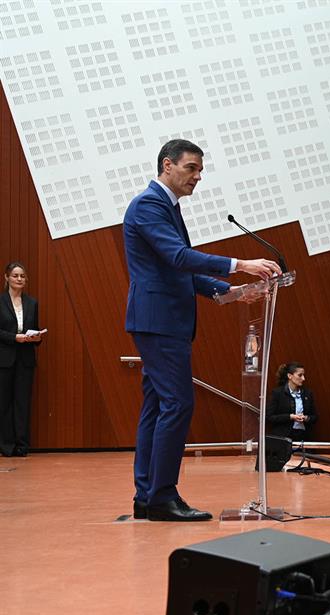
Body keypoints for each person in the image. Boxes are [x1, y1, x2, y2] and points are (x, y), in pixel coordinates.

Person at [124, 139, 280, 521]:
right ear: (167, 166)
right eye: (191, 168)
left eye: (200, 170)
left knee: (158, 406)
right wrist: (240, 264)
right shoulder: (150, 204)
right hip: (160, 321)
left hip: (160, 320)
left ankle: (147, 495)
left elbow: (176, 269)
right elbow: (178, 258)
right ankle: (161, 496)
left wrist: (228, 292)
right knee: (179, 403)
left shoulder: (165, 207)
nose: (198, 176)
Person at [0, 262, 41, 457]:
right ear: (6, 278)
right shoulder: (0, 302)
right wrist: (13, 337)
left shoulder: (32, 303)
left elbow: (35, 328)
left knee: (22, 402)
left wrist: (37, 337)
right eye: (15, 275)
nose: (19, 279)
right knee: (4, 402)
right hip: (4, 359)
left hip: (25, 359)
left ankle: (21, 445)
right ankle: (6, 446)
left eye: (22, 276)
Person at [265, 362, 317, 442]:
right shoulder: (277, 393)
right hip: (283, 437)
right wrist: (290, 417)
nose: (303, 378)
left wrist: (306, 418)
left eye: (303, 375)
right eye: (300, 375)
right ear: (290, 376)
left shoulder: (307, 394)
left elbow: (314, 417)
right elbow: (269, 417)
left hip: (302, 436)